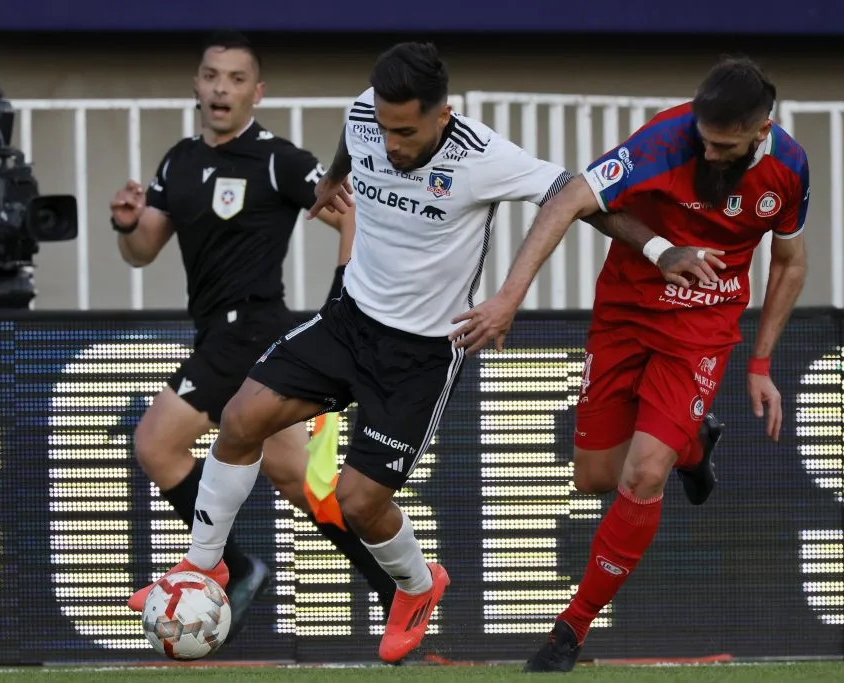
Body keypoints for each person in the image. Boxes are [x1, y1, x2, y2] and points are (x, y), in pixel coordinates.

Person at [145, 41, 673, 663]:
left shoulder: (483, 156)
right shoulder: (368, 112)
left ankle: (419, 587)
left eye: (407, 132)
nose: (392, 145)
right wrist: (336, 179)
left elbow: (577, 197)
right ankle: (202, 570)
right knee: (239, 419)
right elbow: (354, 132)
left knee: (358, 502)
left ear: (442, 116)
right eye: (385, 128)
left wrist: (660, 252)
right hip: (348, 322)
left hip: (418, 354)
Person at [451, 56, 809, 672]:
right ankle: (694, 445)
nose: (711, 153)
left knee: (643, 476)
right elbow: (569, 200)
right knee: (594, 478)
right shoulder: (665, 140)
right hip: (625, 312)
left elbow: (789, 262)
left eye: (725, 146)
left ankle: (570, 631)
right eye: (705, 139)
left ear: (761, 130)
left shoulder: (789, 167)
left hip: (701, 329)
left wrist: (760, 362)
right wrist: (508, 298)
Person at [111, 30, 397, 642]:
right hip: (220, 332)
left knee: (156, 443)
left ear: (256, 92)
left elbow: (350, 211)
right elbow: (142, 251)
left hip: (253, 327)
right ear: (197, 84)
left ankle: (230, 567)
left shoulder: (277, 158)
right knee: (299, 481)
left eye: (237, 79)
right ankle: (397, 589)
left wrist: (343, 297)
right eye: (213, 75)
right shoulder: (179, 161)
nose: (222, 88)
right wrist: (126, 223)